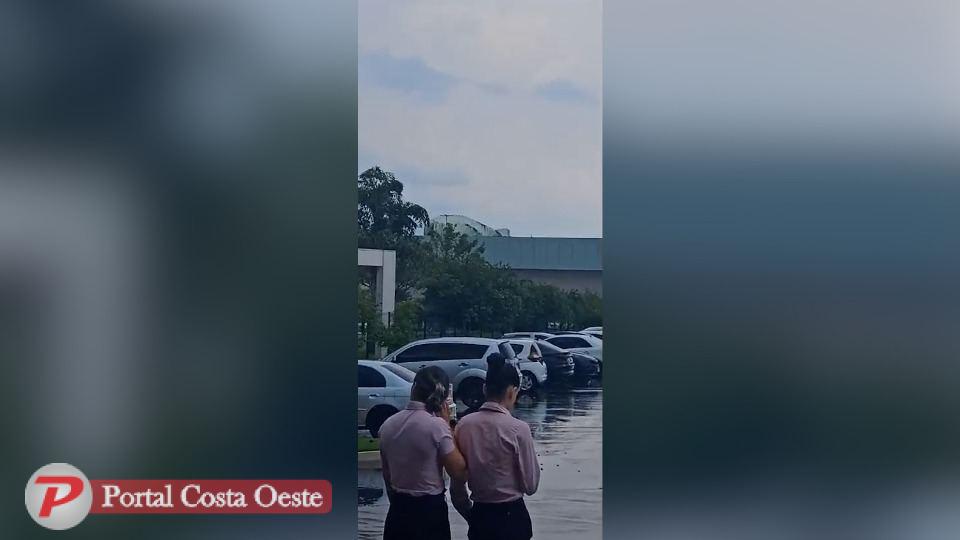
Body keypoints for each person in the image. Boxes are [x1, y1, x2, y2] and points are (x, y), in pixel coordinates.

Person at [451, 353, 540, 540]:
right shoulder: (519, 429)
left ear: (485, 389)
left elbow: (457, 487)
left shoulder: (464, 426)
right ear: (511, 391)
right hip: (513, 519)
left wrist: (472, 516)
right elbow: (530, 485)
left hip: (481, 515)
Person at [378, 366, 468, 540]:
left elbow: (387, 477)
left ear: (413, 388)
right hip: (429, 513)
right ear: (443, 399)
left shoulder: (387, 425)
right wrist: (449, 426)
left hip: (398, 511)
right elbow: (459, 472)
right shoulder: (437, 427)